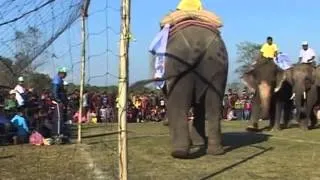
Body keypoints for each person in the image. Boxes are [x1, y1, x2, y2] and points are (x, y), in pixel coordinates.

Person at [51, 67, 68, 141]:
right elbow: (55, 92)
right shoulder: (57, 79)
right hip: (57, 102)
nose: (65, 75)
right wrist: (58, 100)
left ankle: (60, 133)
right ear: (61, 73)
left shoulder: (60, 80)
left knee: (60, 118)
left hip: (60, 102)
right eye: (64, 73)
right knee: (58, 118)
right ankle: (57, 135)